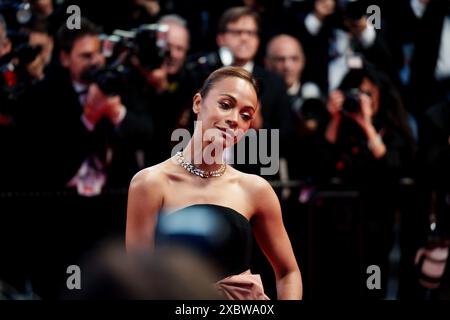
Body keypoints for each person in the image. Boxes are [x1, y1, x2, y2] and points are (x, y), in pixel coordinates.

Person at [126, 66, 302, 300]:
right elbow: (136, 280)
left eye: (246, 115)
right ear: (198, 103)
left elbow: (288, 272)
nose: (234, 120)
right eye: (226, 105)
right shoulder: (150, 183)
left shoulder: (255, 189)